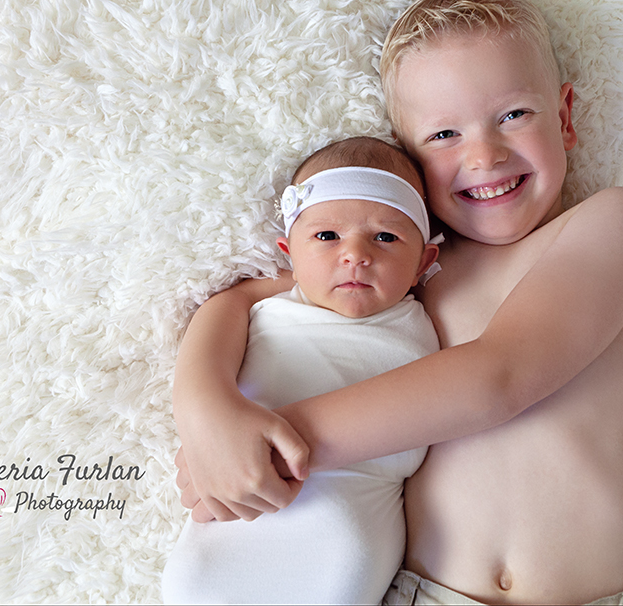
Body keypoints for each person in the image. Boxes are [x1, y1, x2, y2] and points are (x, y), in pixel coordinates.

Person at [172, 0, 623, 605]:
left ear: (565, 117)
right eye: (443, 135)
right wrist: (205, 410)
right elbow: (240, 299)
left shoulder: (612, 224)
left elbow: (499, 376)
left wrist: (273, 446)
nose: (484, 156)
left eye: (514, 115)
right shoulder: (406, 272)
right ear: (409, 161)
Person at [163, 137, 442, 604]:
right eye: (327, 236)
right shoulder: (267, 306)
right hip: (228, 526)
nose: (355, 254)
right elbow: (218, 320)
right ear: (289, 253)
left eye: (386, 237)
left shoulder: (428, 323)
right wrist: (207, 409)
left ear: (423, 262)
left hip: (342, 547)